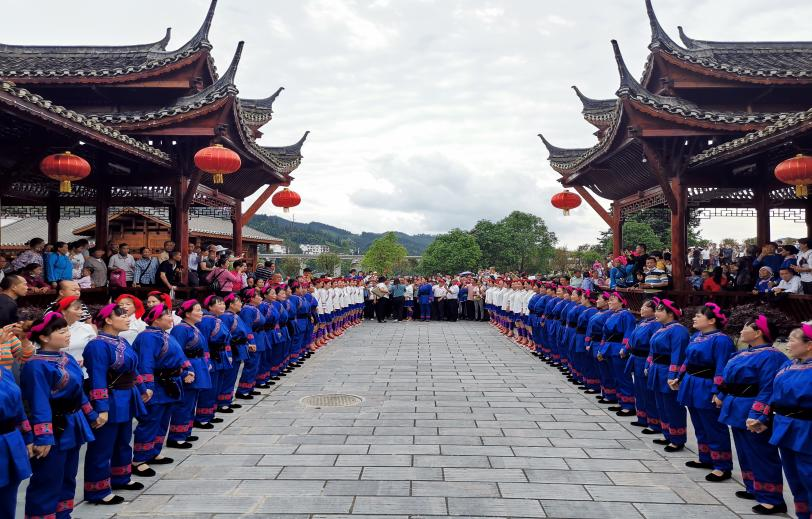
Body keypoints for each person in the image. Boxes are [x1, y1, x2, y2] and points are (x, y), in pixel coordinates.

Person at [22, 312, 97, 518]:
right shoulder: (35, 365)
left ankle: (63, 515)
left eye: (66, 329)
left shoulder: (67, 357)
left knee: (67, 476)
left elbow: (78, 391)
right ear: (44, 337)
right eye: (61, 330)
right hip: (53, 426)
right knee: (48, 478)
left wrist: (91, 415)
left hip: (73, 422)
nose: (67, 334)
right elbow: (38, 403)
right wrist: (44, 437)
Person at [715, 315, 787, 514]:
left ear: (758, 333)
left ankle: (771, 498)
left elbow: (768, 388)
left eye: (746, 327)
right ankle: (753, 487)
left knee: (761, 452)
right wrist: (721, 394)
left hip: (752, 407)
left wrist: (759, 414)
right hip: (736, 405)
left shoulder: (772, 356)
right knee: (745, 451)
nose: (741, 330)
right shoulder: (742, 353)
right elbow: (728, 379)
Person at [84, 304, 150, 505]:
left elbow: (133, 369)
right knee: (103, 446)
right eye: (121, 315)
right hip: (111, 399)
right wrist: (101, 408)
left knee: (123, 439)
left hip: (126, 397)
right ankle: (98, 490)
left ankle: (121, 477)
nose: (127, 317)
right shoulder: (97, 345)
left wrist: (142, 388)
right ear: (108, 320)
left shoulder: (121, 341)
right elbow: (97, 378)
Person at [675, 303, 736, 482]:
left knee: (713, 425)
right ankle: (705, 457)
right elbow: (687, 359)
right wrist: (679, 376)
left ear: (711, 320)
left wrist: (718, 391)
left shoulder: (721, 340)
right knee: (699, 422)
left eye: (699, 316)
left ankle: (722, 465)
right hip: (691, 382)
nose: (694, 318)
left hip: (707, 384)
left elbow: (722, 367)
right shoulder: (696, 336)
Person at [131, 304, 192, 477]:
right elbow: (145, 364)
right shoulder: (147, 337)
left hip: (169, 384)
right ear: (156, 319)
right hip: (156, 385)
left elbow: (180, 356)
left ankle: (154, 451)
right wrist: (147, 387)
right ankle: (139, 459)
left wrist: (187, 371)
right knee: (150, 420)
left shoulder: (165, 335)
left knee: (163, 420)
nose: (171, 318)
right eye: (167, 316)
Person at [765, 324, 812, 519]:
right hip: (784, 425)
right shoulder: (788, 364)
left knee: (808, 474)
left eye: (793, 339)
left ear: (809, 345)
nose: (788, 344)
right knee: (794, 476)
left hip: (806, 428)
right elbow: (773, 393)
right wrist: (762, 416)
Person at [648, 299, 690, 452]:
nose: (656, 313)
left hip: (667, 370)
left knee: (672, 405)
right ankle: (667, 433)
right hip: (657, 369)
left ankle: (677, 438)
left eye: (660, 310)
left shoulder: (678, 330)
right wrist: (649, 365)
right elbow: (652, 350)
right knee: (661, 404)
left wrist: (673, 375)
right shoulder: (662, 328)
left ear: (671, 313)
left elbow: (677, 354)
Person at [167, 300, 210, 449]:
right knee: (184, 402)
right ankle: (176, 436)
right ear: (187, 313)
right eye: (197, 310)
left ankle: (185, 431)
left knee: (192, 401)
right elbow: (177, 352)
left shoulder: (194, 327)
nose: (201, 313)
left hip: (198, 365)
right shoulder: (180, 329)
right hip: (189, 366)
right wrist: (185, 370)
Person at [0, 358, 32, 519]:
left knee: (8, 496)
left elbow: (19, 409)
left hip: (12, 439)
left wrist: (28, 437)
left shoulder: (5, 372)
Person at [625, 298, 662, 433]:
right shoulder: (641, 322)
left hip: (645, 358)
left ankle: (654, 422)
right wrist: (626, 349)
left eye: (645, 307)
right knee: (639, 389)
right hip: (636, 358)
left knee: (647, 392)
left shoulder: (655, 325)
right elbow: (631, 338)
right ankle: (642, 417)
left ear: (653, 310)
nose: (641, 309)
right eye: (642, 306)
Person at [195, 296, 231, 429]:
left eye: (223, 303)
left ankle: (210, 413)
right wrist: (207, 359)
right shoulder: (206, 320)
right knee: (209, 389)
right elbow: (203, 342)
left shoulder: (217, 319)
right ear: (209, 307)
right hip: (212, 356)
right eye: (218, 303)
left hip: (219, 356)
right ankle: (202, 417)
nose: (222, 306)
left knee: (216, 387)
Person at [59, 296, 96, 365]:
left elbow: (95, 350)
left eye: (81, 309)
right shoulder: (52, 329)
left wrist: (86, 359)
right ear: (63, 311)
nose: (81, 312)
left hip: (85, 371)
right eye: (76, 309)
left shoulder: (87, 327)